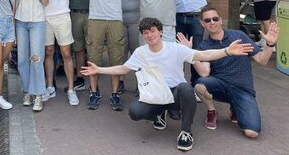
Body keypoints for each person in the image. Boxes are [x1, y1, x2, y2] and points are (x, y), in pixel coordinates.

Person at [81, 17, 254, 152]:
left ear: (161, 32)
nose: (149, 35)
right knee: (135, 112)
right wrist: (99, 70)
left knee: (186, 88)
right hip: (155, 94)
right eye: (145, 33)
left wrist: (226, 51)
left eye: (152, 31)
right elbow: (124, 68)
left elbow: (204, 55)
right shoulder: (141, 52)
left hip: (175, 94)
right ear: (142, 35)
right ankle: (159, 113)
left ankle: (186, 132)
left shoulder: (175, 49)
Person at [176, 6, 278, 139]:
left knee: (252, 133)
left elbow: (262, 60)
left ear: (220, 21)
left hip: (243, 89)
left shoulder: (239, 36)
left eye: (215, 18)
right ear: (202, 24)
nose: (212, 22)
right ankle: (212, 111)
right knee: (200, 85)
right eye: (207, 20)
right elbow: (204, 73)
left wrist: (270, 45)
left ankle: (236, 108)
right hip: (220, 86)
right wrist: (189, 53)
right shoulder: (204, 46)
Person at [77, 0, 134, 111]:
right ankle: (94, 92)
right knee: (93, 56)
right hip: (95, 20)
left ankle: (115, 94)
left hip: (115, 20)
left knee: (116, 57)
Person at [37, 0, 79, 105]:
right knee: (48, 52)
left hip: (62, 16)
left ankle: (70, 89)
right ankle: (49, 87)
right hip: (44, 18)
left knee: (66, 53)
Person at [15, 0, 52, 112]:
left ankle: (38, 94)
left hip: (37, 21)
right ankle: (27, 91)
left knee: (36, 58)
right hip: (21, 22)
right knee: (22, 59)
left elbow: (44, 1)